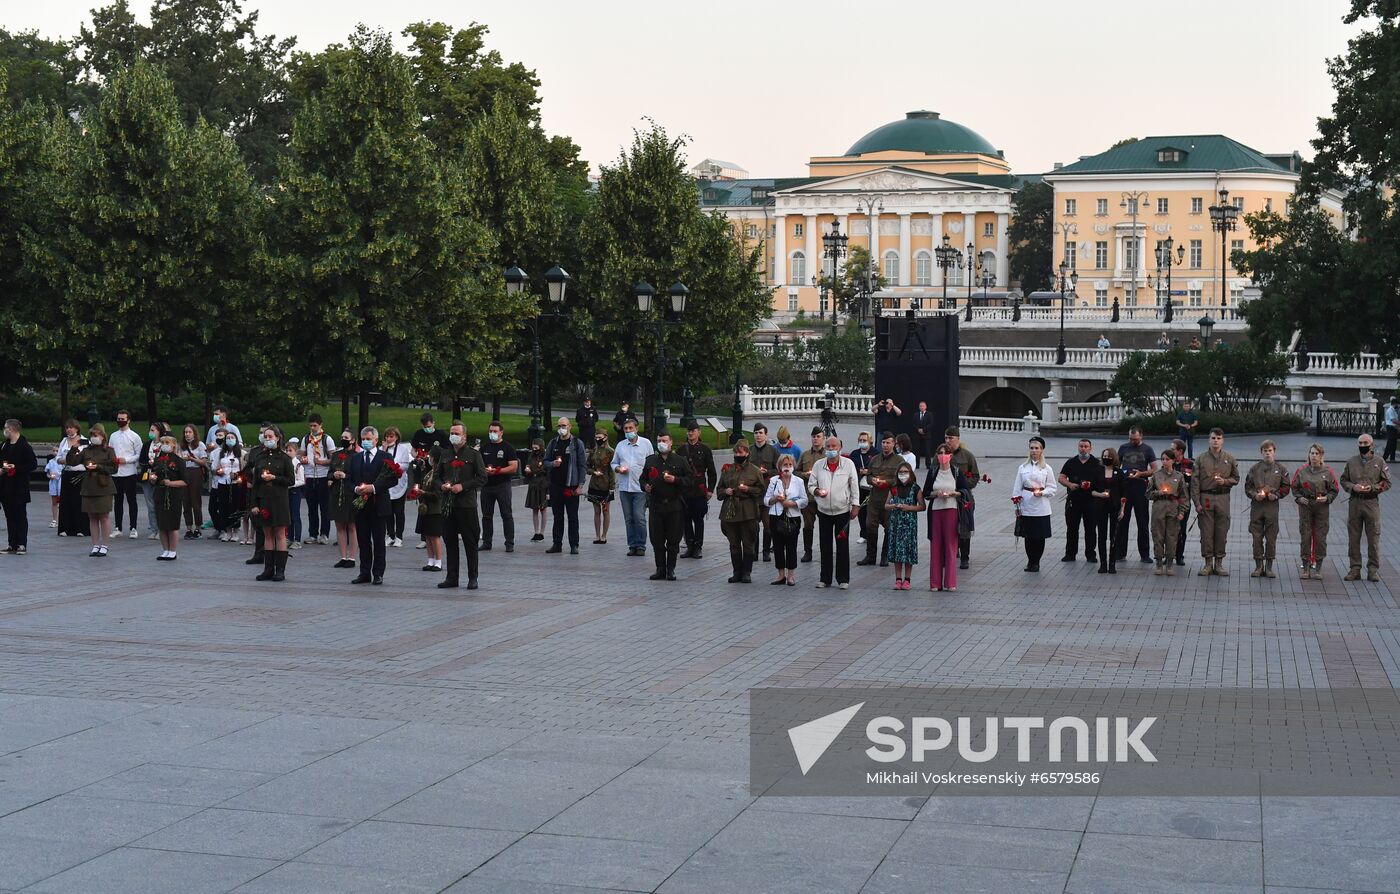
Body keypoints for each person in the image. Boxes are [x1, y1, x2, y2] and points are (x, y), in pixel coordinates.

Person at [437, 421, 487, 589]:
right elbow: (437, 476)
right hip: (448, 505)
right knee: (450, 542)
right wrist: (442, 485)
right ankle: (452, 577)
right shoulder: (445, 454)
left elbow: (482, 477)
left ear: (464, 436)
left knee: (470, 542)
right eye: (452, 432)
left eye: (457, 433)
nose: (454, 436)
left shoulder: (473, 455)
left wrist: (463, 486)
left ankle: (473, 577)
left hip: (466, 505)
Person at [807, 435, 860, 590]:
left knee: (842, 545)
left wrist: (855, 505)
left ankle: (843, 578)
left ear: (840, 448)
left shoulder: (848, 464)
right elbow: (811, 484)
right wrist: (816, 491)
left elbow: (854, 486)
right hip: (823, 510)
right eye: (828, 447)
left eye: (834, 447)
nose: (831, 450)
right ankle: (825, 578)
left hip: (842, 510)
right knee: (825, 545)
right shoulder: (818, 465)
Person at [350, 426, 397, 585]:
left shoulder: (385, 456)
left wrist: (374, 488)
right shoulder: (356, 458)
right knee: (363, 541)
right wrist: (356, 489)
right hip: (361, 505)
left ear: (376, 440)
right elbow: (349, 479)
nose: (365, 442)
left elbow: (392, 479)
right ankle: (364, 572)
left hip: (379, 505)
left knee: (378, 541)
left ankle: (378, 573)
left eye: (369, 439)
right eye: (363, 439)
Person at [1340, 433, 1390, 582]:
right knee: (1353, 538)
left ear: (1372, 444)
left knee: (1373, 537)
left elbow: (1387, 482)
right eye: (1360, 443)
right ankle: (1354, 569)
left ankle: (1373, 570)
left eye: (1365, 443)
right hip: (1355, 502)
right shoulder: (1351, 461)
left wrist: (1373, 488)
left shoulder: (1379, 462)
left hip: (1371, 502)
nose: (1362, 446)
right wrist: (1353, 487)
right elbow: (1344, 480)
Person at [249, 425, 296, 582]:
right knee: (267, 534)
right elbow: (255, 483)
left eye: (270, 436)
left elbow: (291, 480)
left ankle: (280, 570)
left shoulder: (284, 458)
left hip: (279, 500)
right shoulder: (260, 457)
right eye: (265, 436)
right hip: (264, 499)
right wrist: (254, 503)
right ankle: (268, 569)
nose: (267, 439)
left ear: (277, 438)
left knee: (280, 534)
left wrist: (275, 478)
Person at [642, 431, 691, 580]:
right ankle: (660, 569)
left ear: (670, 442)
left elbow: (689, 480)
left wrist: (675, 480)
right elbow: (642, 479)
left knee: (673, 539)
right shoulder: (650, 461)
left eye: (664, 440)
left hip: (673, 505)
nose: (661, 443)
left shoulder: (680, 460)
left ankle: (671, 569)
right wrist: (645, 486)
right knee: (657, 540)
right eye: (658, 440)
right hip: (656, 505)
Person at [1191, 428, 1239, 577]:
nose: (1215, 441)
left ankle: (1218, 563)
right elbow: (1195, 483)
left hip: (1223, 498)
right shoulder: (1200, 459)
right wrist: (1197, 503)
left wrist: (1225, 481)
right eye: (1213, 438)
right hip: (1206, 498)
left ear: (1222, 440)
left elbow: (1236, 479)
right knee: (1206, 532)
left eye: (1218, 438)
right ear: (1209, 440)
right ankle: (1207, 564)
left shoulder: (1230, 459)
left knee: (1221, 531)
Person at [717, 438, 764, 583]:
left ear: (747, 453)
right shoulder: (728, 470)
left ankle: (746, 572)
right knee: (734, 544)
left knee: (748, 543)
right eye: (736, 452)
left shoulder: (755, 471)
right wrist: (726, 491)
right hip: (730, 511)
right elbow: (719, 491)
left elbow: (761, 490)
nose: (738, 454)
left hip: (747, 511)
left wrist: (748, 489)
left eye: (741, 452)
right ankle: (736, 571)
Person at [1292, 443, 1339, 580]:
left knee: (1320, 537)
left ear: (1321, 456)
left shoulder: (1327, 472)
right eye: (1312, 453)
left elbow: (1334, 489)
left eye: (1316, 454)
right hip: (1306, 506)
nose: (1314, 456)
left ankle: (1318, 567)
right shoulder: (1302, 471)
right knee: (1305, 537)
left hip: (1321, 507)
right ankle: (1305, 567)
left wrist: (1327, 498)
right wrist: (1299, 498)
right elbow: (1294, 487)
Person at [858, 432, 905, 568]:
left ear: (894, 444)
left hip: (889, 499)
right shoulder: (875, 459)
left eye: (888, 443)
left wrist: (887, 482)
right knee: (870, 525)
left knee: (889, 527)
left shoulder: (899, 461)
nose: (885, 445)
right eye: (883, 442)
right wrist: (872, 480)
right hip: (874, 498)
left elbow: (901, 478)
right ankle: (870, 556)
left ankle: (885, 556)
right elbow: (868, 476)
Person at [1012, 436, 1058, 571]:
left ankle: (1036, 561)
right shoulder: (1022, 467)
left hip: (1041, 506)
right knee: (1028, 536)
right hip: (1026, 504)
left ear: (1042, 450)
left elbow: (1052, 488)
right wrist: (1016, 504)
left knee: (1039, 536)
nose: (1034, 451)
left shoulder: (1046, 468)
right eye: (1031, 448)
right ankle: (1030, 561)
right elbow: (1017, 487)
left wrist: (1042, 493)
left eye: (1037, 448)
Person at [1245, 439, 1290, 578]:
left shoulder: (1281, 469)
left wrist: (1276, 495)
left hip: (1271, 507)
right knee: (1256, 537)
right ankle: (1258, 566)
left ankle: (1269, 567)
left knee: (1271, 538)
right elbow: (1248, 487)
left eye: (1270, 451)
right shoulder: (1254, 469)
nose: (1267, 454)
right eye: (1265, 451)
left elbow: (1286, 487)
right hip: (1257, 507)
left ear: (1274, 452)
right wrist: (1254, 495)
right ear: (1261, 453)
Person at [72, 424, 117, 557]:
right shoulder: (86, 450)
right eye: (92, 435)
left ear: (103, 437)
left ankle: (105, 545)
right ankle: (95, 544)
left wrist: (99, 467)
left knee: (103, 515)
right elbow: (73, 461)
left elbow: (114, 468)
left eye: (96, 435)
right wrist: (73, 450)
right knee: (92, 516)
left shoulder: (109, 450)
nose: (93, 438)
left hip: (103, 486)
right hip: (89, 486)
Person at [763, 454, 807, 586]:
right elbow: (766, 500)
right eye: (784, 465)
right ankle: (780, 574)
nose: (787, 468)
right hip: (776, 516)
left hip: (793, 517)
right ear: (780, 467)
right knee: (777, 546)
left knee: (791, 546)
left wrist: (792, 504)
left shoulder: (798, 481)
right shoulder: (774, 480)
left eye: (789, 465)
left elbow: (804, 500)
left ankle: (791, 575)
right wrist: (776, 498)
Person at [545, 417, 587, 555]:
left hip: (571, 485)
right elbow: (545, 462)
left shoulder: (576, 443)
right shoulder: (553, 443)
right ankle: (557, 544)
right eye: (559, 426)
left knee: (572, 516)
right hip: (556, 484)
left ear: (570, 427)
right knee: (557, 516)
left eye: (564, 425)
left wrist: (580, 485)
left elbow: (582, 465)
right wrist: (552, 464)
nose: (561, 428)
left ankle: (574, 544)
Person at [612, 419, 654, 557]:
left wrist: (649, 481)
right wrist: (618, 468)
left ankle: (641, 545)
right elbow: (614, 463)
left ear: (636, 428)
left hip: (640, 487)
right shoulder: (621, 445)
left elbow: (652, 463)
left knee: (639, 516)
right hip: (625, 487)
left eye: (631, 428)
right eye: (626, 429)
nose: (628, 431)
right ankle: (632, 545)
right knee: (629, 518)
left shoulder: (645, 444)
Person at [410, 413, 453, 550]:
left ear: (433, 423)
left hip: (437, 471)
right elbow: (413, 450)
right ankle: (424, 536)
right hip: (423, 471)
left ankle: (437, 533)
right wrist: (417, 456)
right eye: (424, 426)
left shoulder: (441, 435)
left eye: (428, 426)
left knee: (435, 501)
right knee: (423, 501)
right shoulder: (419, 434)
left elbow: (447, 451)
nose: (426, 428)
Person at [1116, 427, 1157, 564]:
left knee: (1142, 522)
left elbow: (1155, 469)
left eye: (1136, 439)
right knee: (1122, 521)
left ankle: (1144, 554)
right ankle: (1120, 553)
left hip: (1141, 487)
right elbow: (1116, 466)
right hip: (1125, 487)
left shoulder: (1148, 449)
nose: (1133, 441)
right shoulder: (1123, 448)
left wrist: (1141, 474)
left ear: (1141, 437)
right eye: (1131, 439)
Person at [1057, 438, 1102, 563]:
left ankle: (1091, 555)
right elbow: (1061, 478)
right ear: (1078, 447)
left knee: (1091, 529)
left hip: (1091, 501)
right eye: (1081, 446)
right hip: (1074, 500)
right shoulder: (1071, 462)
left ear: (1090, 448)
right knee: (1072, 529)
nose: (1083, 448)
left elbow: (1102, 480)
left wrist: (1094, 488)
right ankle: (1070, 554)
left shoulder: (1096, 463)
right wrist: (1070, 484)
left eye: (1086, 446)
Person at [675, 422, 716, 559]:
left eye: (693, 431)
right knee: (685, 519)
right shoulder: (681, 450)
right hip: (685, 489)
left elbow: (711, 472)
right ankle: (689, 545)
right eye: (689, 431)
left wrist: (710, 490)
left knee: (698, 519)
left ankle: (698, 546)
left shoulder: (705, 449)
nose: (690, 433)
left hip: (699, 490)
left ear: (699, 432)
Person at [478, 420, 518, 553]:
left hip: (503, 485)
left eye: (495, 431)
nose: (492, 433)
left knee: (506, 515)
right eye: (490, 431)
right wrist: (485, 470)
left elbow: (513, 467)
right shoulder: (484, 448)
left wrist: (499, 471)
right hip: (487, 486)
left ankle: (509, 543)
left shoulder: (508, 448)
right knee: (486, 516)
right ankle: (487, 542)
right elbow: (478, 465)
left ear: (501, 432)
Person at [884, 460, 924, 589]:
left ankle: (907, 579)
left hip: (909, 524)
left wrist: (909, 508)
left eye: (906, 472)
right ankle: (898, 579)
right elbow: (886, 505)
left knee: (908, 551)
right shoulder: (894, 488)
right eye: (901, 472)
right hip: (896, 523)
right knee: (897, 552)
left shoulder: (915, 488)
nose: (903, 474)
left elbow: (922, 506)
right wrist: (893, 506)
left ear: (910, 473)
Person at [944, 427, 981, 569]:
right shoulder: (941, 455)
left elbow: (975, 476)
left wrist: (963, 487)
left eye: (950, 438)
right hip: (946, 498)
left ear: (958, 439)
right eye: (946, 438)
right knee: (949, 527)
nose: (948, 441)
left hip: (964, 498)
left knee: (964, 527)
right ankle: (952, 552)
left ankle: (965, 556)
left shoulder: (967, 456)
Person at [0, 420, 38, 554]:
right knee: (9, 515)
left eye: (5, 428)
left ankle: (21, 543)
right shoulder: (4, 445)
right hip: (5, 486)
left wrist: (16, 468)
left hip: (19, 486)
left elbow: (33, 464)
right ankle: (12, 543)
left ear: (12, 429)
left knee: (20, 515)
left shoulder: (24, 445)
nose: (4, 430)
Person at [1148, 449, 1187, 575]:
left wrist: (1182, 511)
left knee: (1172, 535)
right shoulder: (1156, 475)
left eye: (1167, 459)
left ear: (1173, 461)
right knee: (1158, 535)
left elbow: (1184, 496)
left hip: (1173, 506)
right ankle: (1159, 562)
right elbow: (1148, 494)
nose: (1164, 461)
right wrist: (1159, 492)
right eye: (1163, 459)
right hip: (1159, 506)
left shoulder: (1179, 476)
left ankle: (1170, 563)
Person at [149, 434, 187, 561]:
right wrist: (153, 479)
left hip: (174, 495)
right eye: (163, 442)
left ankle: (172, 550)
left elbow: (185, 481)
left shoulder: (178, 461)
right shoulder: (158, 460)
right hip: (160, 493)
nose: (164, 445)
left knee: (172, 524)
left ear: (173, 445)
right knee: (162, 524)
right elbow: (154, 475)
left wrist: (170, 483)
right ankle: (165, 549)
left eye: (167, 442)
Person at [108, 409, 142, 539]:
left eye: (122, 419)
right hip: (116, 473)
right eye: (118, 419)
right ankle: (118, 527)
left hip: (129, 472)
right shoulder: (113, 436)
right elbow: (110, 451)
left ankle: (133, 527)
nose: (120, 421)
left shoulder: (134, 436)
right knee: (117, 501)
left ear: (128, 420)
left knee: (131, 500)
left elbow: (138, 455)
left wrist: (126, 460)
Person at [410, 445, 445, 572]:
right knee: (428, 536)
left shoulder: (438, 474)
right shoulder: (430, 472)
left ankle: (438, 561)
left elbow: (438, 495)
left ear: (434, 458)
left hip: (435, 509)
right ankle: (430, 559)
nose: (428, 458)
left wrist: (423, 493)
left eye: (430, 456)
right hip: (426, 509)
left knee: (435, 537)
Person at [750, 424, 780, 562]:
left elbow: (779, 470)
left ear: (766, 435)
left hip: (768, 493)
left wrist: (767, 472)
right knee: (754, 526)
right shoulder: (749, 450)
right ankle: (754, 552)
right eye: (756, 433)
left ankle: (766, 551)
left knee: (768, 526)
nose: (758, 435)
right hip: (753, 494)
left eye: (761, 433)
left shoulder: (773, 451)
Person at [795, 427, 826, 563]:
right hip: (808, 497)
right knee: (808, 525)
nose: (815, 439)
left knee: (825, 525)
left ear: (823, 438)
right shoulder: (805, 454)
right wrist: (804, 475)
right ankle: (808, 552)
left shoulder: (827, 455)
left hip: (823, 496)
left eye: (818, 436)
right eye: (813, 436)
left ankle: (826, 551)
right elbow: (796, 472)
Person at [1092, 447, 1125, 574]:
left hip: (1115, 506)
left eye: (1109, 456)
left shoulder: (1119, 472)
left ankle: (1112, 563)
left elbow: (1123, 494)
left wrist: (1122, 510)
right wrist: (1100, 495)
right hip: (1100, 506)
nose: (1106, 458)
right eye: (1104, 456)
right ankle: (1103, 563)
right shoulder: (1097, 471)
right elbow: (1092, 491)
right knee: (1101, 535)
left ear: (1114, 457)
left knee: (1114, 536)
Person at [55, 421, 90, 538]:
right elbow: (58, 457)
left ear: (77, 429)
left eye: (71, 427)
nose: (69, 430)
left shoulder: (84, 441)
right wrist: (65, 460)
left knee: (79, 500)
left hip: (80, 473)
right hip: (67, 472)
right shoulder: (64, 441)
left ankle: (81, 528)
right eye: (67, 428)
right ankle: (66, 528)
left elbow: (88, 457)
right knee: (66, 501)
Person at [380, 428, 413, 549]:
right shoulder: (382, 449)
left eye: (391, 437)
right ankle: (391, 535)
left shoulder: (402, 449)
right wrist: (383, 450)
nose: (389, 439)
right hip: (386, 485)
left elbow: (405, 464)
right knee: (388, 511)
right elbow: (379, 462)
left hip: (399, 483)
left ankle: (399, 536)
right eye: (387, 437)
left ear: (397, 437)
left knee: (398, 511)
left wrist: (395, 467)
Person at [328, 430, 358, 567]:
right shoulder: (335, 455)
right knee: (339, 525)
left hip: (350, 493)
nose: (343, 439)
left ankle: (352, 557)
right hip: (336, 493)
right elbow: (329, 473)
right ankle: (342, 557)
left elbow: (359, 476)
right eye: (342, 437)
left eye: (346, 438)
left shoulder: (357, 456)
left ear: (352, 440)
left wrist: (346, 476)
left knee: (352, 526)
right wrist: (334, 475)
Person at [302, 414, 332, 545]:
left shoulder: (327, 439)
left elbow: (333, 459)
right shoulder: (306, 438)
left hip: (323, 476)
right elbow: (300, 453)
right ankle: (312, 534)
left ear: (320, 425)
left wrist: (320, 462)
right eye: (311, 425)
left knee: (324, 508)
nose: (313, 428)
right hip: (310, 476)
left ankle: (324, 534)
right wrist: (303, 459)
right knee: (311, 508)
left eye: (315, 425)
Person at [207, 430, 242, 543]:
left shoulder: (239, 453)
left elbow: (243, 468)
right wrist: (218, 472)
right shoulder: (222, 453)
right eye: (228, 438)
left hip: (235, 483)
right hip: (222, 482)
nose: (229, 440)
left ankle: (235, 531)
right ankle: (227, 531)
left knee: (234, 507)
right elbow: (215, 468)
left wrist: (237, 475)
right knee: (223, 507)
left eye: (232, 438)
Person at [177, 425, 208, 540]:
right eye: (185, 432)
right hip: (184, 472)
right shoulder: (181, 446)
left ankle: (198, 527)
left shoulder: (200, 445)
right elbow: (178, 459)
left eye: (189, 432)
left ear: (194, 433)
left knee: (195, 501)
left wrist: (192, 459)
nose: (187, 434)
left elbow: (203, 461)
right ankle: (188, 527)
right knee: (185, 501)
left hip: (195, 472)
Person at [138, 421, 167, 540]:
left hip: (159, 477)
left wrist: (156, 464)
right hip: (147, 475)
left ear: (159, 432)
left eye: (153, 430)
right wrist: (148, 464)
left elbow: (166, 460)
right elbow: (141, 460)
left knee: (160, 504)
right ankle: (154, 528)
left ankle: (162, 529)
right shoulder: (146, 445)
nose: (151, 432)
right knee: (150, 505)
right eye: (150, 430)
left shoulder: (164, 445)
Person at [587, 432, 615, 544]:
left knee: (605, 510)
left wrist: (612, 486)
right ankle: (597, 535)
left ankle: (604, 535)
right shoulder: (593, 451)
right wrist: (593, 472)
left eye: (600, 437)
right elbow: (587, 466)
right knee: (596, 511)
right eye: (596, 437)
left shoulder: (610, 452)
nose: (598, 439)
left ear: (605, 437)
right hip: (594, 484)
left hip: (606, 484)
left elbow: (612, 470)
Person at [1171, 438, 1194, 567]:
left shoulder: (1190, 464)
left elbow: (1194, 483)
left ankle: (1179, 555)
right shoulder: (1168, 462)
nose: (1171, 451)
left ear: (1180, 451)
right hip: (1170, 502)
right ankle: (1169, 554)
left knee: (1181, 529)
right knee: (1168, 529)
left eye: (1173, 449)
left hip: (1184, 502)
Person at [849, 431, 875, 545]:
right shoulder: (854, 454)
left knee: (871, 512)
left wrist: (869, 471)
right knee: (861, 511)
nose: (862, 442)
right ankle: (863, 534)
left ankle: (872, 534)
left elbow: (879, 468)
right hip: (858, 486)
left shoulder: (876, 453)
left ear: (870, 441)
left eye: (865, 440)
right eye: (860, 440)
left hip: (871, 487)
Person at [522, 440, 549, 542]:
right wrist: (527, 470)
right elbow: (528, 466)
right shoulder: (531, 456)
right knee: (534, 508)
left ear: (541, 447)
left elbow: (546, 470)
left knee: (543, 508)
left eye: (536, 448)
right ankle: (536, 531)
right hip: (533, 484)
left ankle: (542, 532)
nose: (534, 450)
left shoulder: (545, 457)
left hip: (543, 484)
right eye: (533, 448)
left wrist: (548, 489)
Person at [285, 438, 305, 550]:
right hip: (286, 491)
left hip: (295, 491)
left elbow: (302, 480)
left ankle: (297, 540)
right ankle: (290, 537)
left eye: (290, 450)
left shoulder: (298, 465)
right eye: (287, 450)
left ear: (296, 452)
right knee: (288, 516)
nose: (288, 452)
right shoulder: (285, 463)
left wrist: (292, 484)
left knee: (295, 516)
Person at [914, 401, 934, 469]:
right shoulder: (916, 414)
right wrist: (918, 429)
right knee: (917, 451)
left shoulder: (929, 414)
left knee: (927, 451)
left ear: (925, 407)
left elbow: (931, 424)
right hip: (917, 435)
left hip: (927, 435)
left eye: (923, 406)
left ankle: (928, 465)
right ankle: (917, 464)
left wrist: (923, 430)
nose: (921, 407)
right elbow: (913, 424)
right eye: (920, 406)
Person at [45, 452, 61, 529]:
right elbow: (47, 473)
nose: (55, 452)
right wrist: (49, 476)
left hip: (61, 482)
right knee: (54, 502)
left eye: (57, 450)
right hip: (53, 482)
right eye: (53, 450)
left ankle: (63, 520)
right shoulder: (51, 461)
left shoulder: (63, 461)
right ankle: (55, 520)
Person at [1384, 395, 1399, 463]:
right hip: (1390, 428)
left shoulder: (1394, 410)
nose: (1398, 406)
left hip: (1394, 428)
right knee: (1390, 443)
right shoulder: (1390, 410)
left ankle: (1392, 458)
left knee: (1394, 443)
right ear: (1395, 404)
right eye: (1397, 404)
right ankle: (1384, 457)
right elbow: (1393, 420)